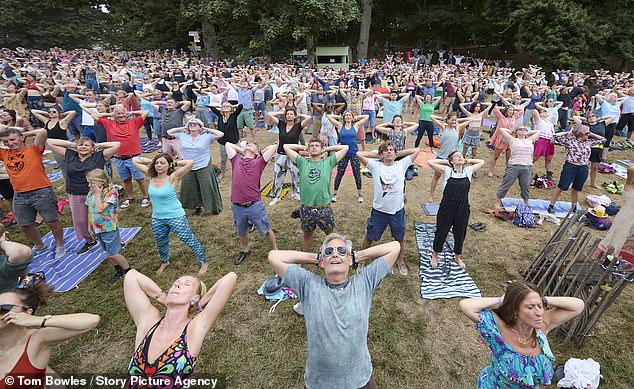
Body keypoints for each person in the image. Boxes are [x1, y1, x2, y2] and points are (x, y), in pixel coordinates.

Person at [268, 234, 401, 389]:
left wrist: (357, 256)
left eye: (341, 251)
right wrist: (316, 258)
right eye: (329, 251)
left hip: (360, 380)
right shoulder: (308, 285)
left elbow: (394, 247)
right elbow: (274, 257)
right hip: (319, 383)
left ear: (350, 261)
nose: (335, 254)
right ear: (322, 262)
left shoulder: (364, 282)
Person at [459, 281, 584, 388]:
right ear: (515, 310)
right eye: (530, 307)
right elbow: (466, 305)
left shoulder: (541, 327)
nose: (539, 313)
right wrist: (502, 300)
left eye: (540, 306)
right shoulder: (497, 330)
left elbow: (578, 306)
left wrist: (542, 299)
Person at [123, 269, 236, 388]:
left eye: (186, 284)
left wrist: (198, 304)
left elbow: (230, 278)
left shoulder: (193, 329)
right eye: (175, 283)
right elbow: (131, 277)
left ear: (195, 297)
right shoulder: (149, 323)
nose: (177, 285)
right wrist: (163, 298)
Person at [0, 275, 100, 387]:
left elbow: (91, 321)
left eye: (3, 309)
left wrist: (39, 320)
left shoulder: (36, 340)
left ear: (26, 313)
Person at [133, 154, 208, 275]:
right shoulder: (151, 175)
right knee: (161, 242)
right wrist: (152, 161)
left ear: (169, 165)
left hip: (175, 216)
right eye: (157, 163)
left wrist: (173, 163)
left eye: (162, 163)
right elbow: (135, 160)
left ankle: (203, 261)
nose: (158, 165)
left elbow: (190, 162)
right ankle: (164, 262)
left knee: (188, 239)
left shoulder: (173, 177)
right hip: (157, 218)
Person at [0, 128, 66, 259]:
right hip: (19, 194)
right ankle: (40, 245)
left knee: (52, 221)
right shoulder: (4, 153)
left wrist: (24, 133)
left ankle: (59, 245)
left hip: (41, 191)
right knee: (24, 225)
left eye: (12, 139)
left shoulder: (34, 149)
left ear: (21, 138)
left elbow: (42, 131)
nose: (10, 143)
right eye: (5, 141)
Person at [47, 137, 121, 254]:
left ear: (93, 148)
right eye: (81, 145)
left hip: (96, 193)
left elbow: (116, 144)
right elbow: (50, 142)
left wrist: (97, 144)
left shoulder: (99, 156)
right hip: (75, 192)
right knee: (81, 221)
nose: (83, 147)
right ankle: (90, 241)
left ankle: (113, 240)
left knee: (101, 218)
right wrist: (73, 145)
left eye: (87, 145)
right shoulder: (70, 155)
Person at [357, 141, 420, 276]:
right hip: (379, 211)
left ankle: (400, 261)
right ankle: (361, 260)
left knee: (399, 238)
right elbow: (358, 153)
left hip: (397, 211)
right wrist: (377, 154)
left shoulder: (401, 165)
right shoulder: (375, 166)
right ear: (381, 155)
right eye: (386, 150)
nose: (389, 152)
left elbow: (417, 150)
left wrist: (397, 154)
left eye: (392, 150)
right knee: (370, 236)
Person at [283, 138, 348, 251]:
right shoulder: (302, 162)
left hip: (323, 207)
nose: (313, 147)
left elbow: (345, 147)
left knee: (330, 234)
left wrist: (326, 148)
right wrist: (304, 148)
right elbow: (286, 146)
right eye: (311, 145)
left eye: (317, 145)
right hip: (306, 208)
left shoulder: (328, 162)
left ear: (321, 149)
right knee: (307, 235)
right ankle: (305, 256)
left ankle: (334, 252)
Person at [428, 152, 485, 269]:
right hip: (447, 207)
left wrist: (466, 160)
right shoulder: (448, 171)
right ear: (451, 161)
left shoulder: (468, 171)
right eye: (457, 156)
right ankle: (435, 255)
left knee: (460, 233)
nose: (460, 157)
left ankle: (457, 257)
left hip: (463, 207)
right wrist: (447, 162)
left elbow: (482, 162)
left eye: (461, 156)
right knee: (442, 231)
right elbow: (430, 162)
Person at [225, 141, 278, 265]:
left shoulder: (259, 162)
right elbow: (228, 144)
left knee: (266, 230)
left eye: (253, 144)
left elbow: (274, 146)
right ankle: (245, 250)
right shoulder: (236, 161)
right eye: (247, 143)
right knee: (242, 231)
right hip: (237, 206)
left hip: (254, 205)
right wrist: (244, 151)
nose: (249, 143)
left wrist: (259, 153)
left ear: (256, 152)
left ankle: (275, 250)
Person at [95, 105, 150, 209]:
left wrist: (130, 113)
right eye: (118, 113)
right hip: (118, 158)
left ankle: (146, 196)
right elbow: (95, 115)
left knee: (140, 179)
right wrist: (111, 114)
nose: (121, 115)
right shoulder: (109, 123)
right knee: (126, 179)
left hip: (134, 157)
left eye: (122, 113)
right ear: (114, 115)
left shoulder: (134, 122)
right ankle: (130, 198)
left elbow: (146, 112)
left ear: (127, 113)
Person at [167, 119, 224, 215]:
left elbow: (221, 134)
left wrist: (206, 129)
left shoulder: (206, 136)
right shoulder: (182, 135)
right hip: (188, 166)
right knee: (191, 187)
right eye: (190, 124)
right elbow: (169, 132)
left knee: (207, 187)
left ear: (200, 126)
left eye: (195, 124)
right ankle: (196, 207)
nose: (192, 125)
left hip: (203, 164)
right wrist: (183, 128)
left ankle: (213, 208)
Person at [84, 169, 132, 285]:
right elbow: (90, 210)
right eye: (89, 183)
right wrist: (90, 227)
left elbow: (100, 209)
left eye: (92, 183)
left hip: (108, 228)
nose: (90, 185)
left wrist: (97, 194)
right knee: (108, 253)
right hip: (97, 228)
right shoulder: (91, 193)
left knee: (113, 253)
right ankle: (119, 270)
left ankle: (129, 272)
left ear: (102, 182)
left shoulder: (111, 193)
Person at [547, 124, 605, 214]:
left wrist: (591, 134)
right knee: (561, 187)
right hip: (571, 167)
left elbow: (603, 140)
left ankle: (574, 207)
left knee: (576, 189)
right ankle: (551, 205)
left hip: (584, 168)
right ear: (580, 133)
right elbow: (553, 137)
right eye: (586, 132)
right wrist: (568, 132)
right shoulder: (570, 141)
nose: (588, 134)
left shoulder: (589, 141)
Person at [267, 108, 312, 206]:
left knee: (296, 176)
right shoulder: (281, 124)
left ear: (295, 116)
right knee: (278, 176)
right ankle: (276, 196)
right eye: (287, 114)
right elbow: (270, 114)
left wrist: (299, 114)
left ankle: (296, 195)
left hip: (293, 155)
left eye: (291, 114)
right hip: (281, 154)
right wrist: (281, 112)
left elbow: (309, 117)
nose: (289, 116)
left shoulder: (298, 126)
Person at [427, 113, 471, 203]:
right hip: (441, 156)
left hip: (453, 158)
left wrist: (458, 121)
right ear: (448, 120)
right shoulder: (443, 127)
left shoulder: (457, 128)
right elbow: (432, 117)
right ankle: (431, 195)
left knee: (452, 177)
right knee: (436, 176)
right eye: (452, 120)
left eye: (455, 120)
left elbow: (470, 120)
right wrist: (443, 118)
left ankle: (450, 195)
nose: (453, 122)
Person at [493, 127, 541, 211]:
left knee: (525, 186)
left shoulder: (530, 140)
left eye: (524, 129)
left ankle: (526, 202)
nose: (523, 130)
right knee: (506, 184)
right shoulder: (512, 139)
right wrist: (513, 131)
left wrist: (526, 132)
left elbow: (538, 131)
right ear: (516, 132)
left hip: (527, 166)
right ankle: (498, 201)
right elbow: (501, 130)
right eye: (520, 129)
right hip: (514, 166)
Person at [326, 111, 369, 203]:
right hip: (343, 153)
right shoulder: (340, 126)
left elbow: (367, 116)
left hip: (354, 153)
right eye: (346, 115)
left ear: (352, 117)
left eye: (350, 115)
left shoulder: (356, 126)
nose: (348, 117)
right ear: (344, 117)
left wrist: (356, 117)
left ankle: (360, 194)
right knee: (339, 174)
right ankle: (335, 194)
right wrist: (340, 117)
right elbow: (329, 116)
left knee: (357, 174)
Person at [596, 166, 634, 264]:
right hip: (624, 218)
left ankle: (621, 261)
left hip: (631, 220)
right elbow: (631, 169)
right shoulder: (629, 185)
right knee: (618, 237)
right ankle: (607, 258)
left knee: (628, 240)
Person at [30, 106, 76, 179]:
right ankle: (68, 183)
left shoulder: (62, 122)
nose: (51, 113)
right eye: (50, 112)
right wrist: (47, 113)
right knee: (62, 166)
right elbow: (33, 111)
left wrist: (62, 114)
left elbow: (73, 112)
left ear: (58, 113)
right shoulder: (46, 121)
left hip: (64, 145)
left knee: (71, 164)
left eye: (54, 112)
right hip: (53, 147)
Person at [210, 102, 242, 180]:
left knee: (239, 157)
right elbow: (211, 106)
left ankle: (240, 172)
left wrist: (232, 105)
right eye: (223, 106)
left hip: (234, 141)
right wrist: (219, 105)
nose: (225, 107)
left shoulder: (234, 115)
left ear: (231, 108)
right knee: (223, 158)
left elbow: (240, 106)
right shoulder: (220, 115)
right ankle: (222, 172)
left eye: (227, 106)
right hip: (223, 142)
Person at [0, 225, 32, 293]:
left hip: (18, 290)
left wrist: (2, 242)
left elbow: (21, 251)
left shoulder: (3, 263)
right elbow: (21, 251)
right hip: (14, 295)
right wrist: (2, 242)